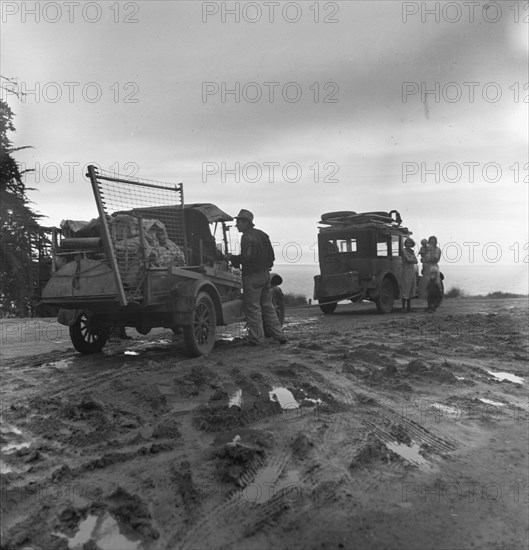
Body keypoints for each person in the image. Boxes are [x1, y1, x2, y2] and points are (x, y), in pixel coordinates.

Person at [227, 209, 287, 346]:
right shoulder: (263, 235)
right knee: (268, 306)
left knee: (253, 308)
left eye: (238, 222)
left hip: (252, 276)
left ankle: (257, 339)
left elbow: (247, 258)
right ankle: (279, 335)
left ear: (245, 223)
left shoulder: (247, 237)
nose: (236, 225)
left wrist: (233, 259)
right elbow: (272, 257)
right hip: (265, 275)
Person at [401, 237, 418, 312]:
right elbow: (408, 259)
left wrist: (412, 260)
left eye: (410, 243)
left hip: (411, 270)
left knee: (411, 287)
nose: (408, 244)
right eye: (407, 243)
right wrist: (412, 260)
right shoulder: (404, 251)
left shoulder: (412, 252)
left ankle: (409, 307)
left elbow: (416, 261)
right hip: (406, 269)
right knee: (406, 287)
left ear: (412, 244)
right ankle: (403, 307)